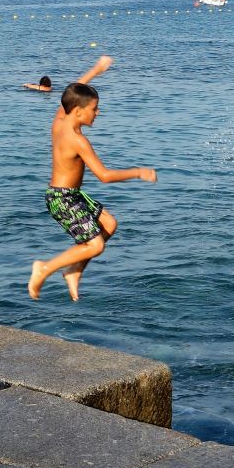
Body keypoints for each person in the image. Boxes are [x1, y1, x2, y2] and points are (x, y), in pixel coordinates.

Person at [28, 56, 155, 302]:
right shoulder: (78, 140)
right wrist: (138, 172)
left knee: (109, 224)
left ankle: (74, 270)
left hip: (69, 195)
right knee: (96, 245)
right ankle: (44, 268)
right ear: (78, 111)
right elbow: (104, 176)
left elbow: (70, 93)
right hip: (62, 199)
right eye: (94, 108)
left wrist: (96, 70)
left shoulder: (60, 121)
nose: (98, 112)